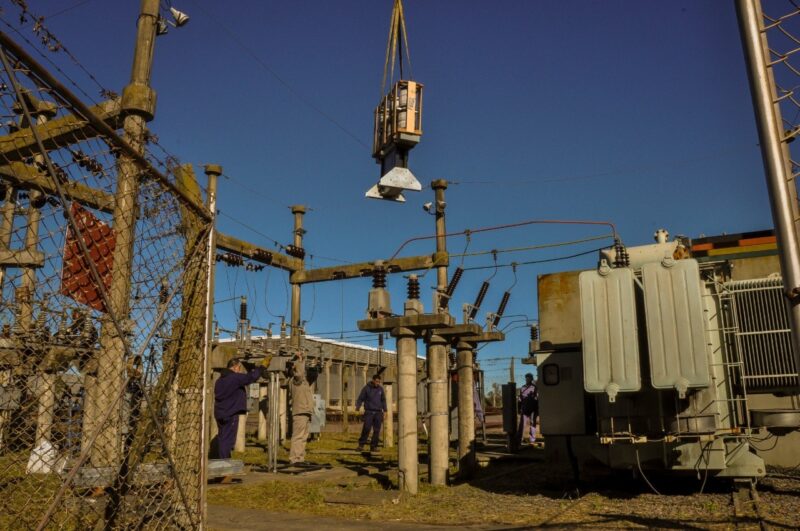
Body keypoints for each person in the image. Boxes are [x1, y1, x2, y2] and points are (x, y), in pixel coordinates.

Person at [214, 358, 261, 459]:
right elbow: (250, 377)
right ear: (235, 367)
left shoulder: (219, 381)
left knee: (222, 438)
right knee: (228, 440)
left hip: (220, 413)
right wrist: (261, 368)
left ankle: (223, 459)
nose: (240, 371)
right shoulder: (234, 378)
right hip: (230, 413)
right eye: (239, 368)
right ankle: (224, 462)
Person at [289, 351, 314, 465]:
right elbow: (299, 373)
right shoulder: (296, 380)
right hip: (300, 412)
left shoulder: (304, 382)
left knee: (304, 437)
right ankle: (294, 458)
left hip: (306, 411)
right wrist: (300, 360)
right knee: (298, 436)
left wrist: (303, 359)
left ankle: (300, 458)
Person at [356, 374, 387, 453]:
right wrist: (357, 407)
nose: (377, 383)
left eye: (379, 382)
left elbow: (383, 400)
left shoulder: (380, 389)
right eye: (376, 381)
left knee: (377, 430)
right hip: (369, 412)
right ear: (373, 380)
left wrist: (385, 411)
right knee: (366, 428)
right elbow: (360, 398)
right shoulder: (366, 388)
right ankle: (361, 445)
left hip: (378, 413)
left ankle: (373, 446)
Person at [518, 372, 538, 444]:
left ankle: (532, 440)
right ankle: (520, 439)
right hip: (524, 408)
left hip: (533, 409)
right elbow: (520, 399)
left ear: (531, 379)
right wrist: (519, 408)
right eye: (527, 378)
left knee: (532, 423)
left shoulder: (535, 387)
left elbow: (537, 398)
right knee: (522, 424)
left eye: (529, 378)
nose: (528, 379)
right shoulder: (522, 387)